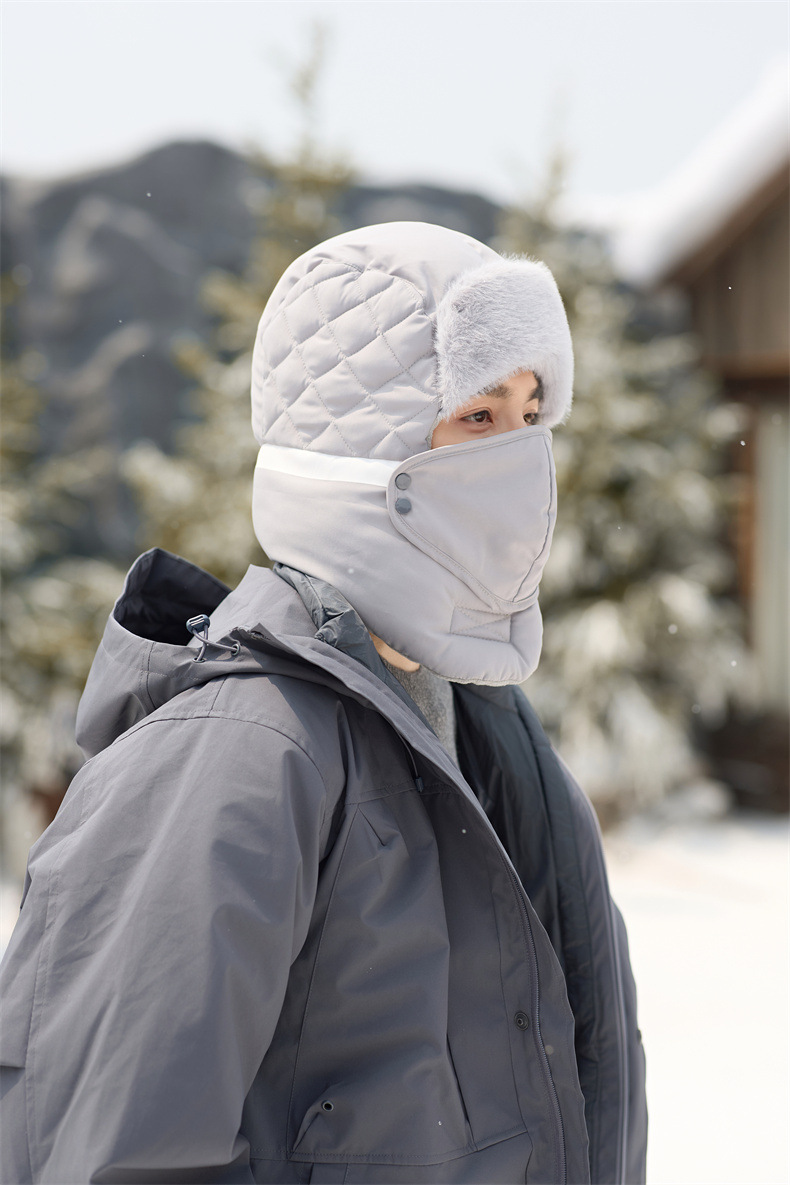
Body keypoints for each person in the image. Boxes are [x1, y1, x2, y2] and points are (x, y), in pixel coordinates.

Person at [0, 222, 647, 1185]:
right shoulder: (242, 756)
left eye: (531, 414)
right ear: (364, 451)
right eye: (478, 415)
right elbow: (111, 1151)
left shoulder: (490, 736)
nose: (520, 458)